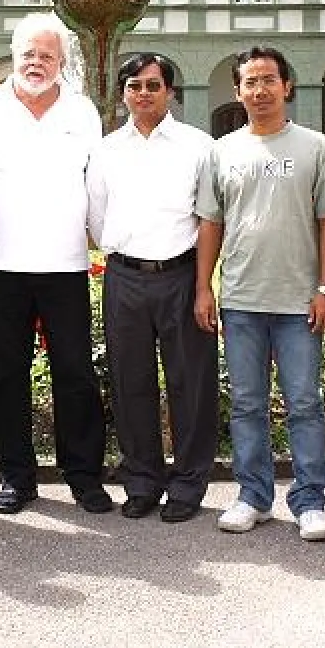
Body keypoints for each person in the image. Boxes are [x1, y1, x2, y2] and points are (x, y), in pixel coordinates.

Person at [194, 46, 325, 541]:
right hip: (241, 299)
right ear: (238, 92)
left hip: (298, 302)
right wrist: (204, 288)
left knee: (304, 402)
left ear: (286, 86)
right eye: (250, 83)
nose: (259, 91)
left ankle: (310, 500)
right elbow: (210, 225)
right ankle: (252, 495)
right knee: (246, 403)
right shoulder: (222, 152)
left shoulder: (316, 148)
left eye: (268, 80)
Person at [0, 12, 111, 515]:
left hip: (65, 264)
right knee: (3, 374)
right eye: (29, 53)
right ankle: (16, 476)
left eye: (47, 55)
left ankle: (84, 476)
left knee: (75, 373)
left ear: (62, 62)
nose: (36, 63)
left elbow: (96, 184)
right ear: (13, 54)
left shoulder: (82, 111)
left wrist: (103, 239)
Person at [87, 53, 220, 523]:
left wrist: (204, 285)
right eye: (134, 85)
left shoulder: (198, 146)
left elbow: (209, 219)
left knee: (192, 383)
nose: (143, 93)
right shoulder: (106, 150)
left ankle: (188, 483)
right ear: (123, 93)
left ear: (169, 92)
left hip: (182, 277)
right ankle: (141, 480)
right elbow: (98, 219)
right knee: (130, 383)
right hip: (124, 276)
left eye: (153, 85)